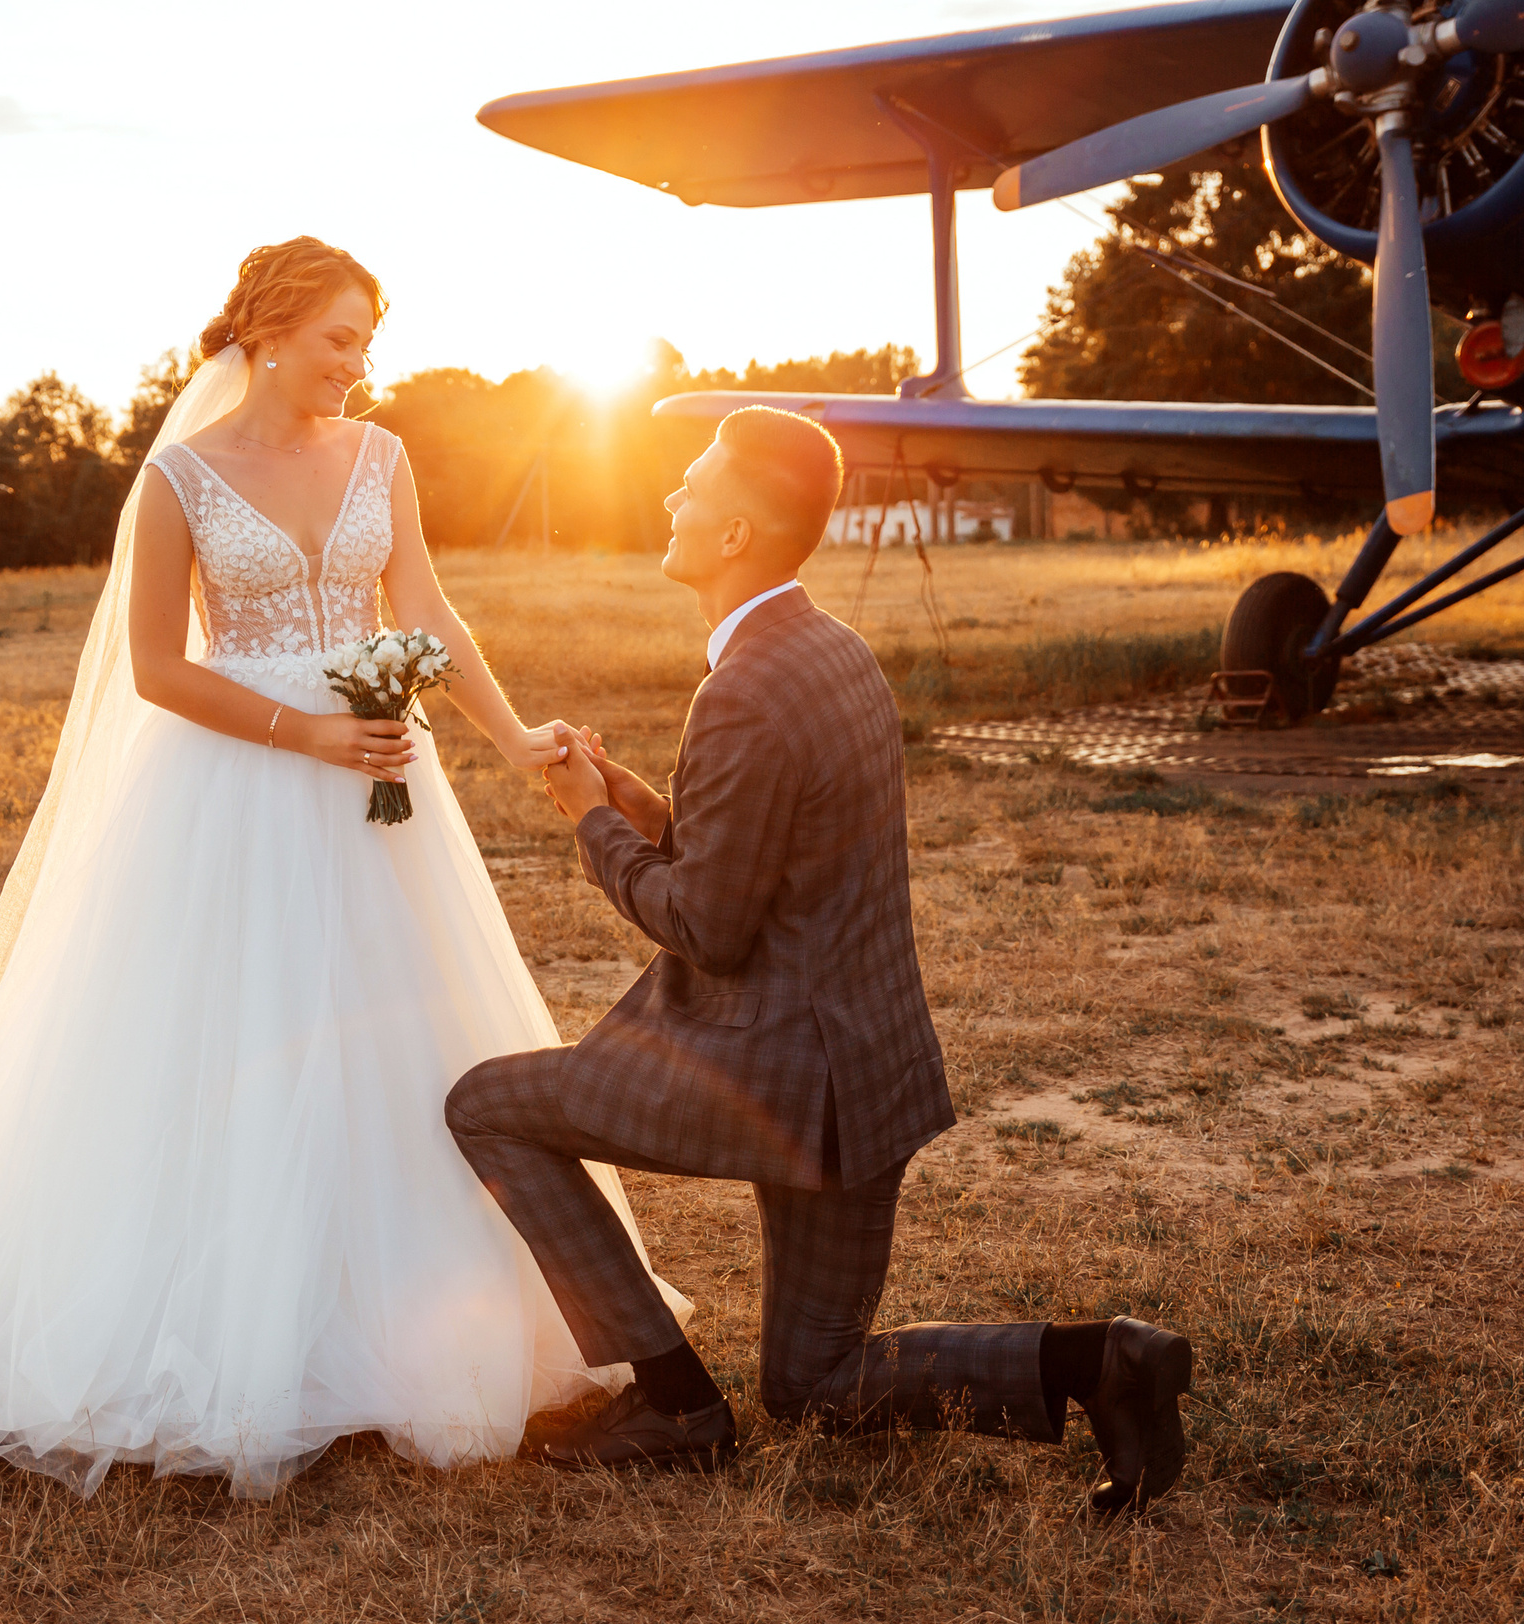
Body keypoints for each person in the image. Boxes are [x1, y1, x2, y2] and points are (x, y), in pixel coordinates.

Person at [0, 238, 684, 1499]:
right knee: (221, 1037)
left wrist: (511, 735)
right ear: (266, 334)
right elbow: (156, 667)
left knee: (393, 1039)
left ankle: (409, 1312)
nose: (360, 367)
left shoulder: (385, 459)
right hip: (234, 790)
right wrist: (307, 730)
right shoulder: (179, 481)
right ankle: (220, 1317)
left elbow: (423, 605)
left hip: (380, 786)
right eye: (339, 341)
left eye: (368, 342)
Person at [448, 407, 1196, 1513]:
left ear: (739, 531)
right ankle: (1100, 1363)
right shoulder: (829, 650)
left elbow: (707, 925)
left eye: (691, 486)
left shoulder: (743, 687)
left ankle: (672, 1399)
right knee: (812, 1383)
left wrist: (585, 823)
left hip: (774, 1079)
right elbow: (769, 854)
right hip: (866, 1077)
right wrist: (638, 799)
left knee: (488, 1107)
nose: (669, 500)